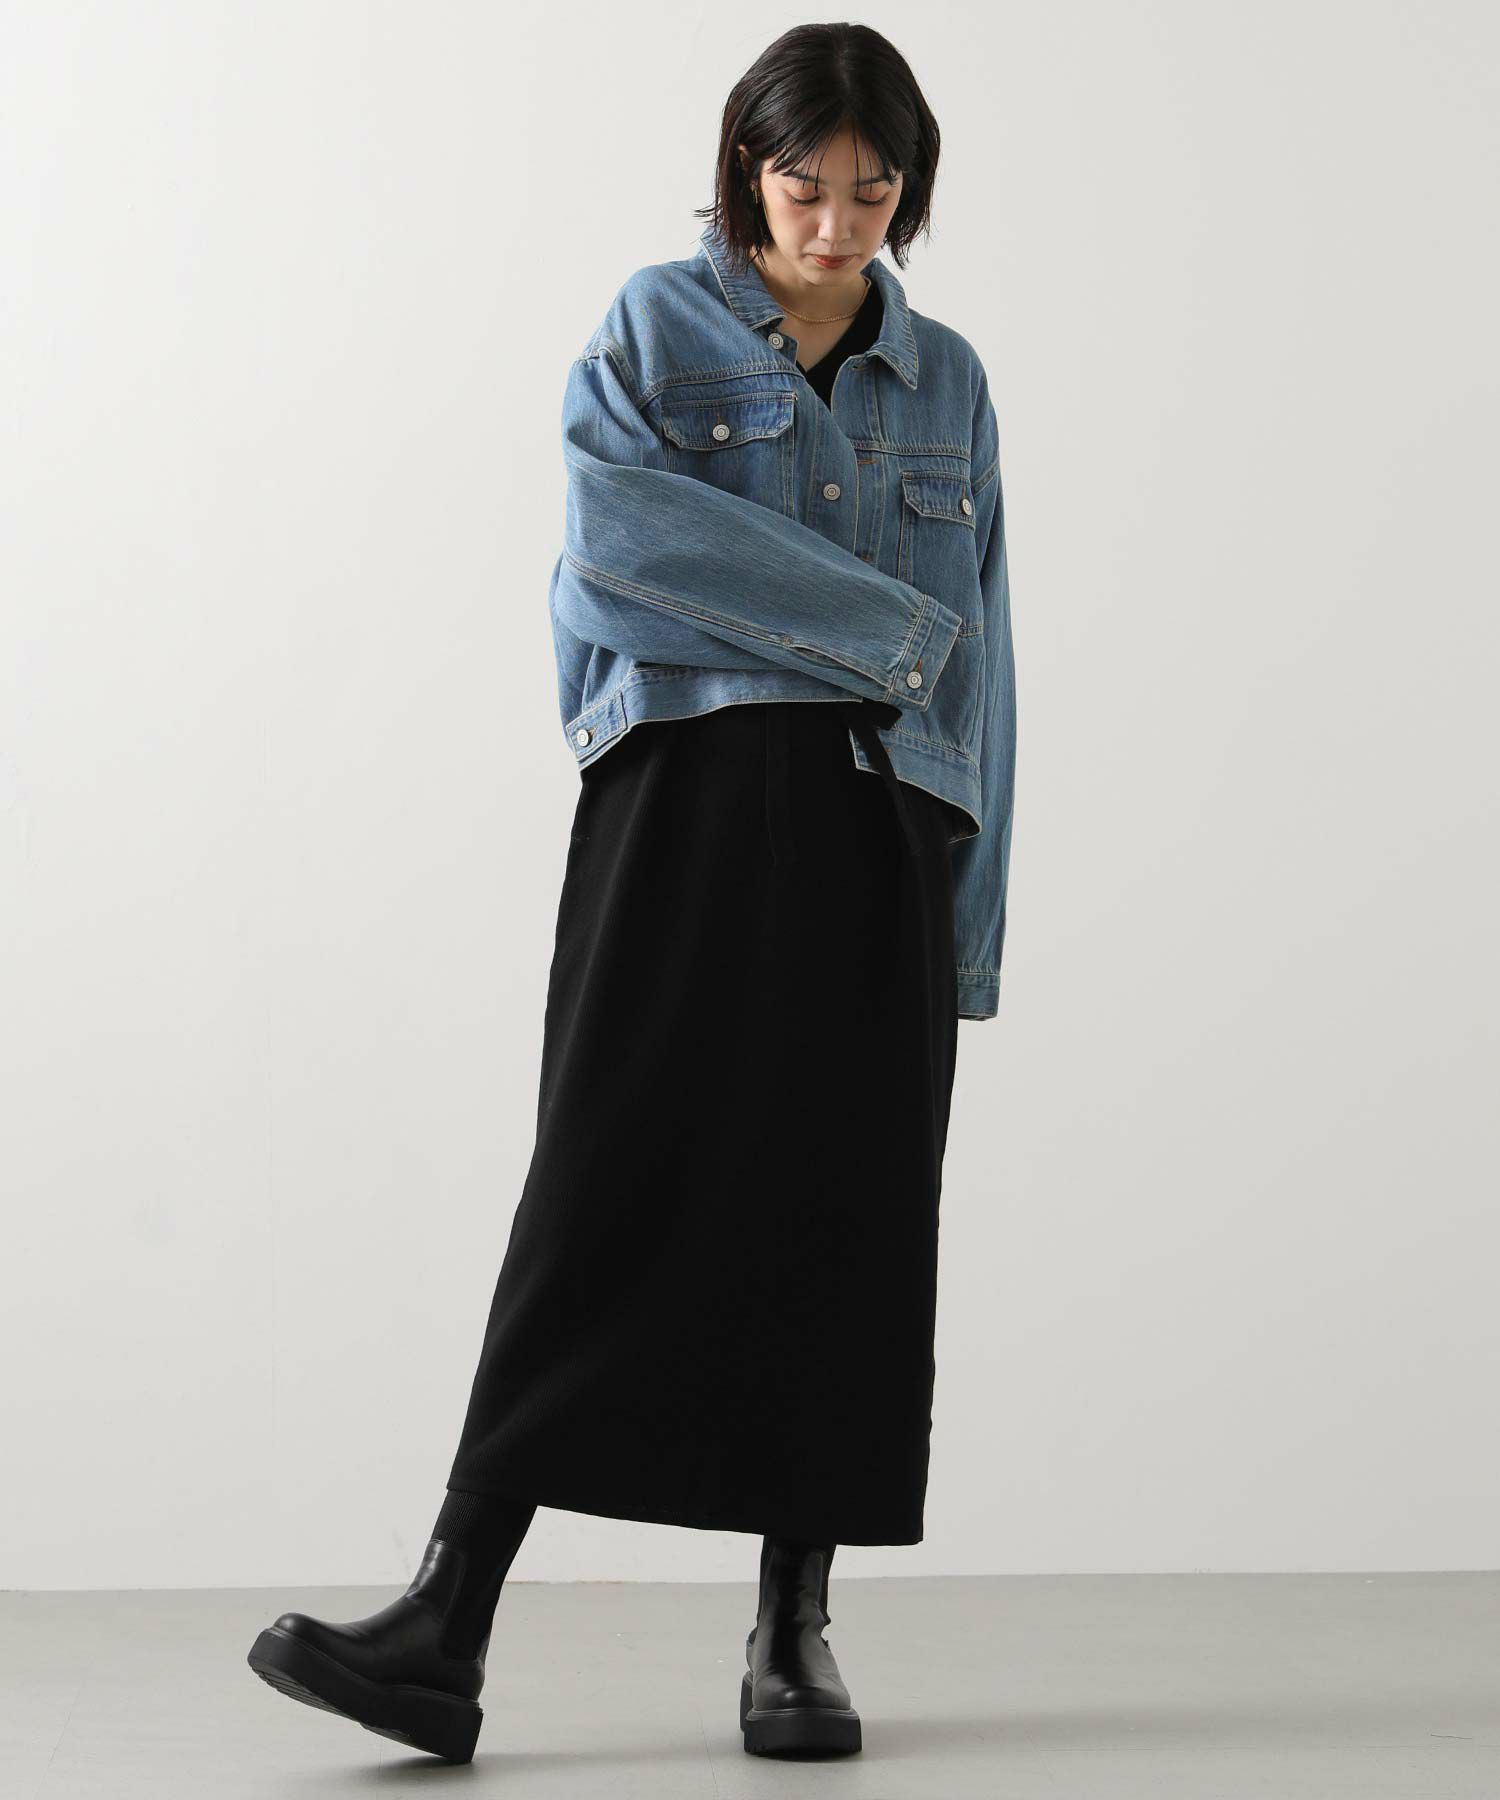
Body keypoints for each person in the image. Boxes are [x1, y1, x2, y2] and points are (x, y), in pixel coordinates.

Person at [247, 21, 1017, 1767]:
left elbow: (994, 656)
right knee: (602, 1183)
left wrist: (969, 920)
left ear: (910, 192)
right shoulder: (656, 327)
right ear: (748, 166)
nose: (836, 226)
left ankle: (791, 1631)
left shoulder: (951, 379)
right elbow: (614, 549)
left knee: (845, 1213)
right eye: (805, 187)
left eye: (873, 194)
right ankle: (446, 1616)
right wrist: (884, 631)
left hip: (886, 824)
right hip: (686, 798)